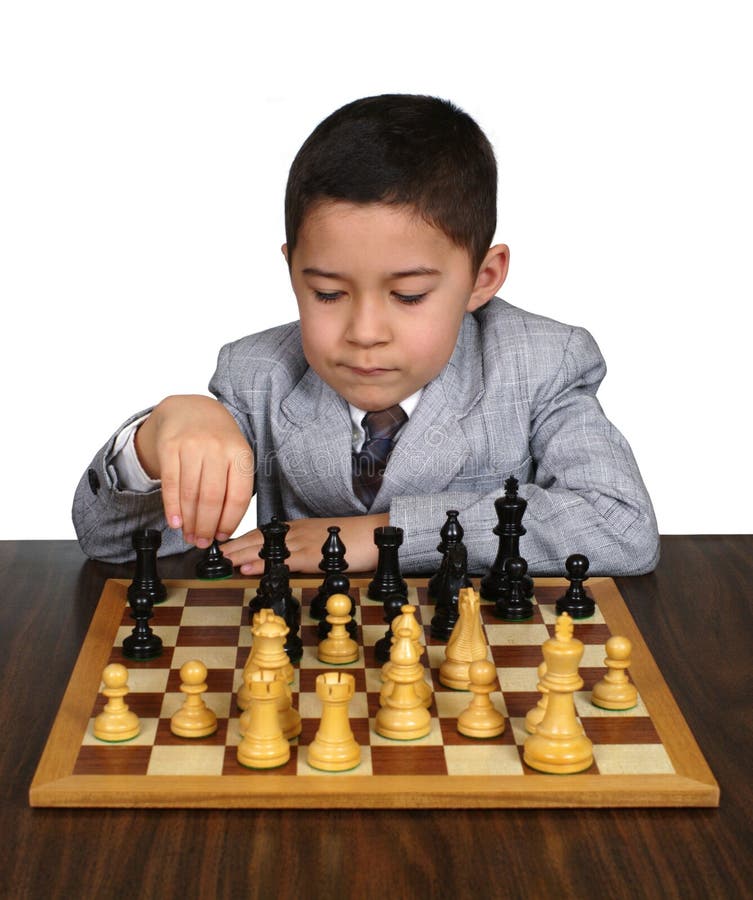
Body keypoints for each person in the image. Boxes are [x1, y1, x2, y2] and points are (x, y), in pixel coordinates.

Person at [73, 94, 659, 576]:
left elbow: (620, 527)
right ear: (292, 270)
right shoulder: (258, 376)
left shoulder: (540, 365)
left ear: (483, 278)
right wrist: (157, 438)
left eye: (408, 296)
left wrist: (381, 535)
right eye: (328, 293)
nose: (365, 332)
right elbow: (109, 542)